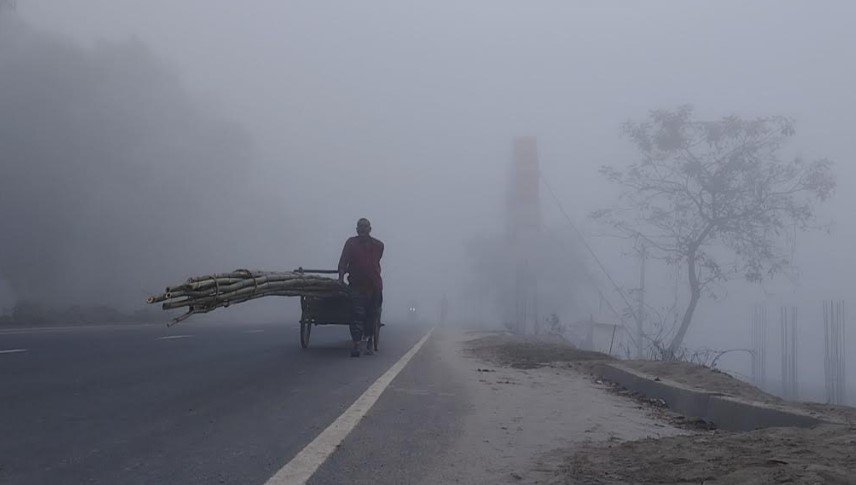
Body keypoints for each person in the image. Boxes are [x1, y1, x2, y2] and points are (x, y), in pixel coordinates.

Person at [338, 218, 384, 357]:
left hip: (374, 286)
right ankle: (357, 343)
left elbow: (377, 261)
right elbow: (343, 262)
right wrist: (340, 278)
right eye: (360, 227)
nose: (363, 229)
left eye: (365, 227)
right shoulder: (351, 243)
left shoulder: (379, 245)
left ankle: (369, 339)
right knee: (357, 314)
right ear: (357, 229)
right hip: (356, 286)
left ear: (370, 229)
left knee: (372, 314)